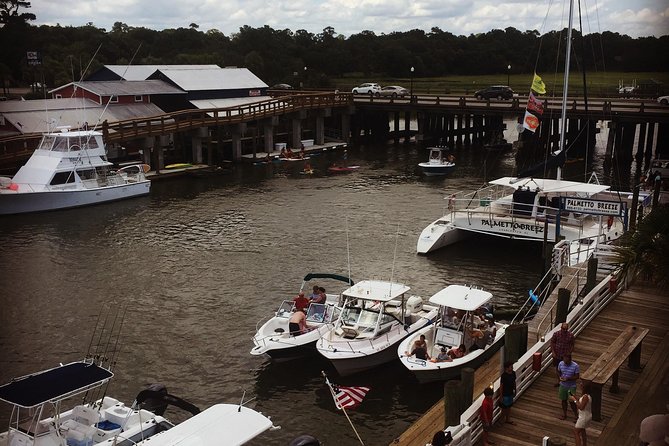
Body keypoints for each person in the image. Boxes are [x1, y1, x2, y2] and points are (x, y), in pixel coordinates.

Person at [551, 322, 575, 387]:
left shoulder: (570, 335)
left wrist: (570, 352)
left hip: (566, 355)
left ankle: (566, 380)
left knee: (566, 368)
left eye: (566, 329)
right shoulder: (556, 334)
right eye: (563, 329)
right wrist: (553, 352)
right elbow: (552, 342)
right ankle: (559, 381)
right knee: (557, 368)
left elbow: (572, 344)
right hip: (557, 354)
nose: (564, 330)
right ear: (561, 328)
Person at [569, 380, 592, 446]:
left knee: (576, 432)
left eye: (581, 384)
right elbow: (582, 402)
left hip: (584, 417)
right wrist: (576, 398)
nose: (580, 384)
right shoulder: (586, 396)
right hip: (586, 416)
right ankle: (584, 444)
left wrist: (574, 400)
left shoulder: (585, 397)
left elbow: (581, 407)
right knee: (582, 430)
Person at [557, 354, 579, 420]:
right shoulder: (561, 363)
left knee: (572, 401)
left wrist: (568, 379)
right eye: (564, 360)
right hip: (563, 385)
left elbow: (577, 376)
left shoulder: (575, 366)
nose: (565, 362)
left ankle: (576, 415)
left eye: (567, 361)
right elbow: (558, 371)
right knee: (563, 400)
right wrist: (559, 377)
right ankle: (564, 414)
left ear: (570, 359)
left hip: (571, 386)